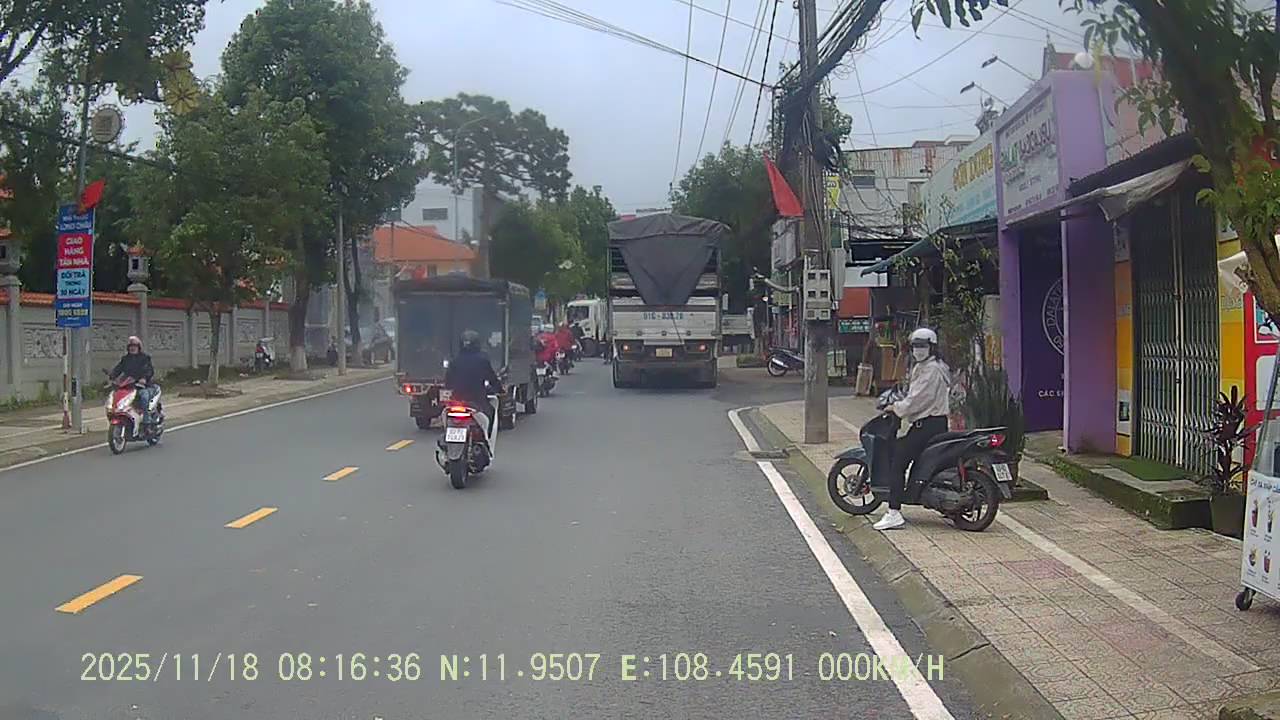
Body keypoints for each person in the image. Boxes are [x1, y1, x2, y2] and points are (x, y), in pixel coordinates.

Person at [874, 327, 952, 531]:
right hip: (934, 423)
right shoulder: (929, 366)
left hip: (927, 425)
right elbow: (913, 393)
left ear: (932, 347)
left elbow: (917, 400)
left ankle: (893, 512)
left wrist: (896, 408)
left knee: (898, 461)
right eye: (915, 346)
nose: (918, 350)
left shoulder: (931, 370)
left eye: (923, 346)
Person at [444, 330, 503, 441]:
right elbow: (492, 379)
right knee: (491, 413)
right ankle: (486, 441)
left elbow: (448, 383)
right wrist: (499, 389)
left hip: (457, 400)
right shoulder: (483, 360)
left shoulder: (455, 361)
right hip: (477, 400)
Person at [109, 336, 157, 424]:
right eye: (131, 346)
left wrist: (144, 378)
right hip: (129, 385)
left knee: (144, 397)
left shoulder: (145, 358)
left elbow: (149, 370)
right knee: (116, 396)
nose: (132, 348)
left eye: (135, 346)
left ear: (139, 347)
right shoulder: (125, 359)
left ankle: (146, 420)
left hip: (142, 386)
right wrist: (112, 376)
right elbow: (118, 369)